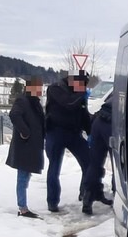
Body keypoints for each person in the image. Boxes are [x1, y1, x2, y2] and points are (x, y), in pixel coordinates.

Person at [44, 71, 91, 212]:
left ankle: (85, 196)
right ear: (73, 81)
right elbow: (69, 103)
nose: (83, 88)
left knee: (89, 163)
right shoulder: (55, 88)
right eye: (81, 84)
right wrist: (81, 95)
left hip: (73, 133)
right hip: (55, 132)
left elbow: (83, 113)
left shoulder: (79, 92)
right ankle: (52, 202)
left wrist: (90, 132)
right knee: (54, 167)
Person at [6, 76, 45, 218]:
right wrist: (25, 132)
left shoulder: (34, 102)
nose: (40, 90)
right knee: (22, 176)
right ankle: (22, 208)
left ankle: (23, 206)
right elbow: (14, 115)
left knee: (25, 175)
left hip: (32, 146)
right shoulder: (22, 101)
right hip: (25, 146)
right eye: (38, 88)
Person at [80, 90, 115, 214]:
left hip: (98, 122)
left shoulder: (119, 89)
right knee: (118, 164)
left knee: (95, 163)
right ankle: (117, 196)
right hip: (112, 125)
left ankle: (88, 198)